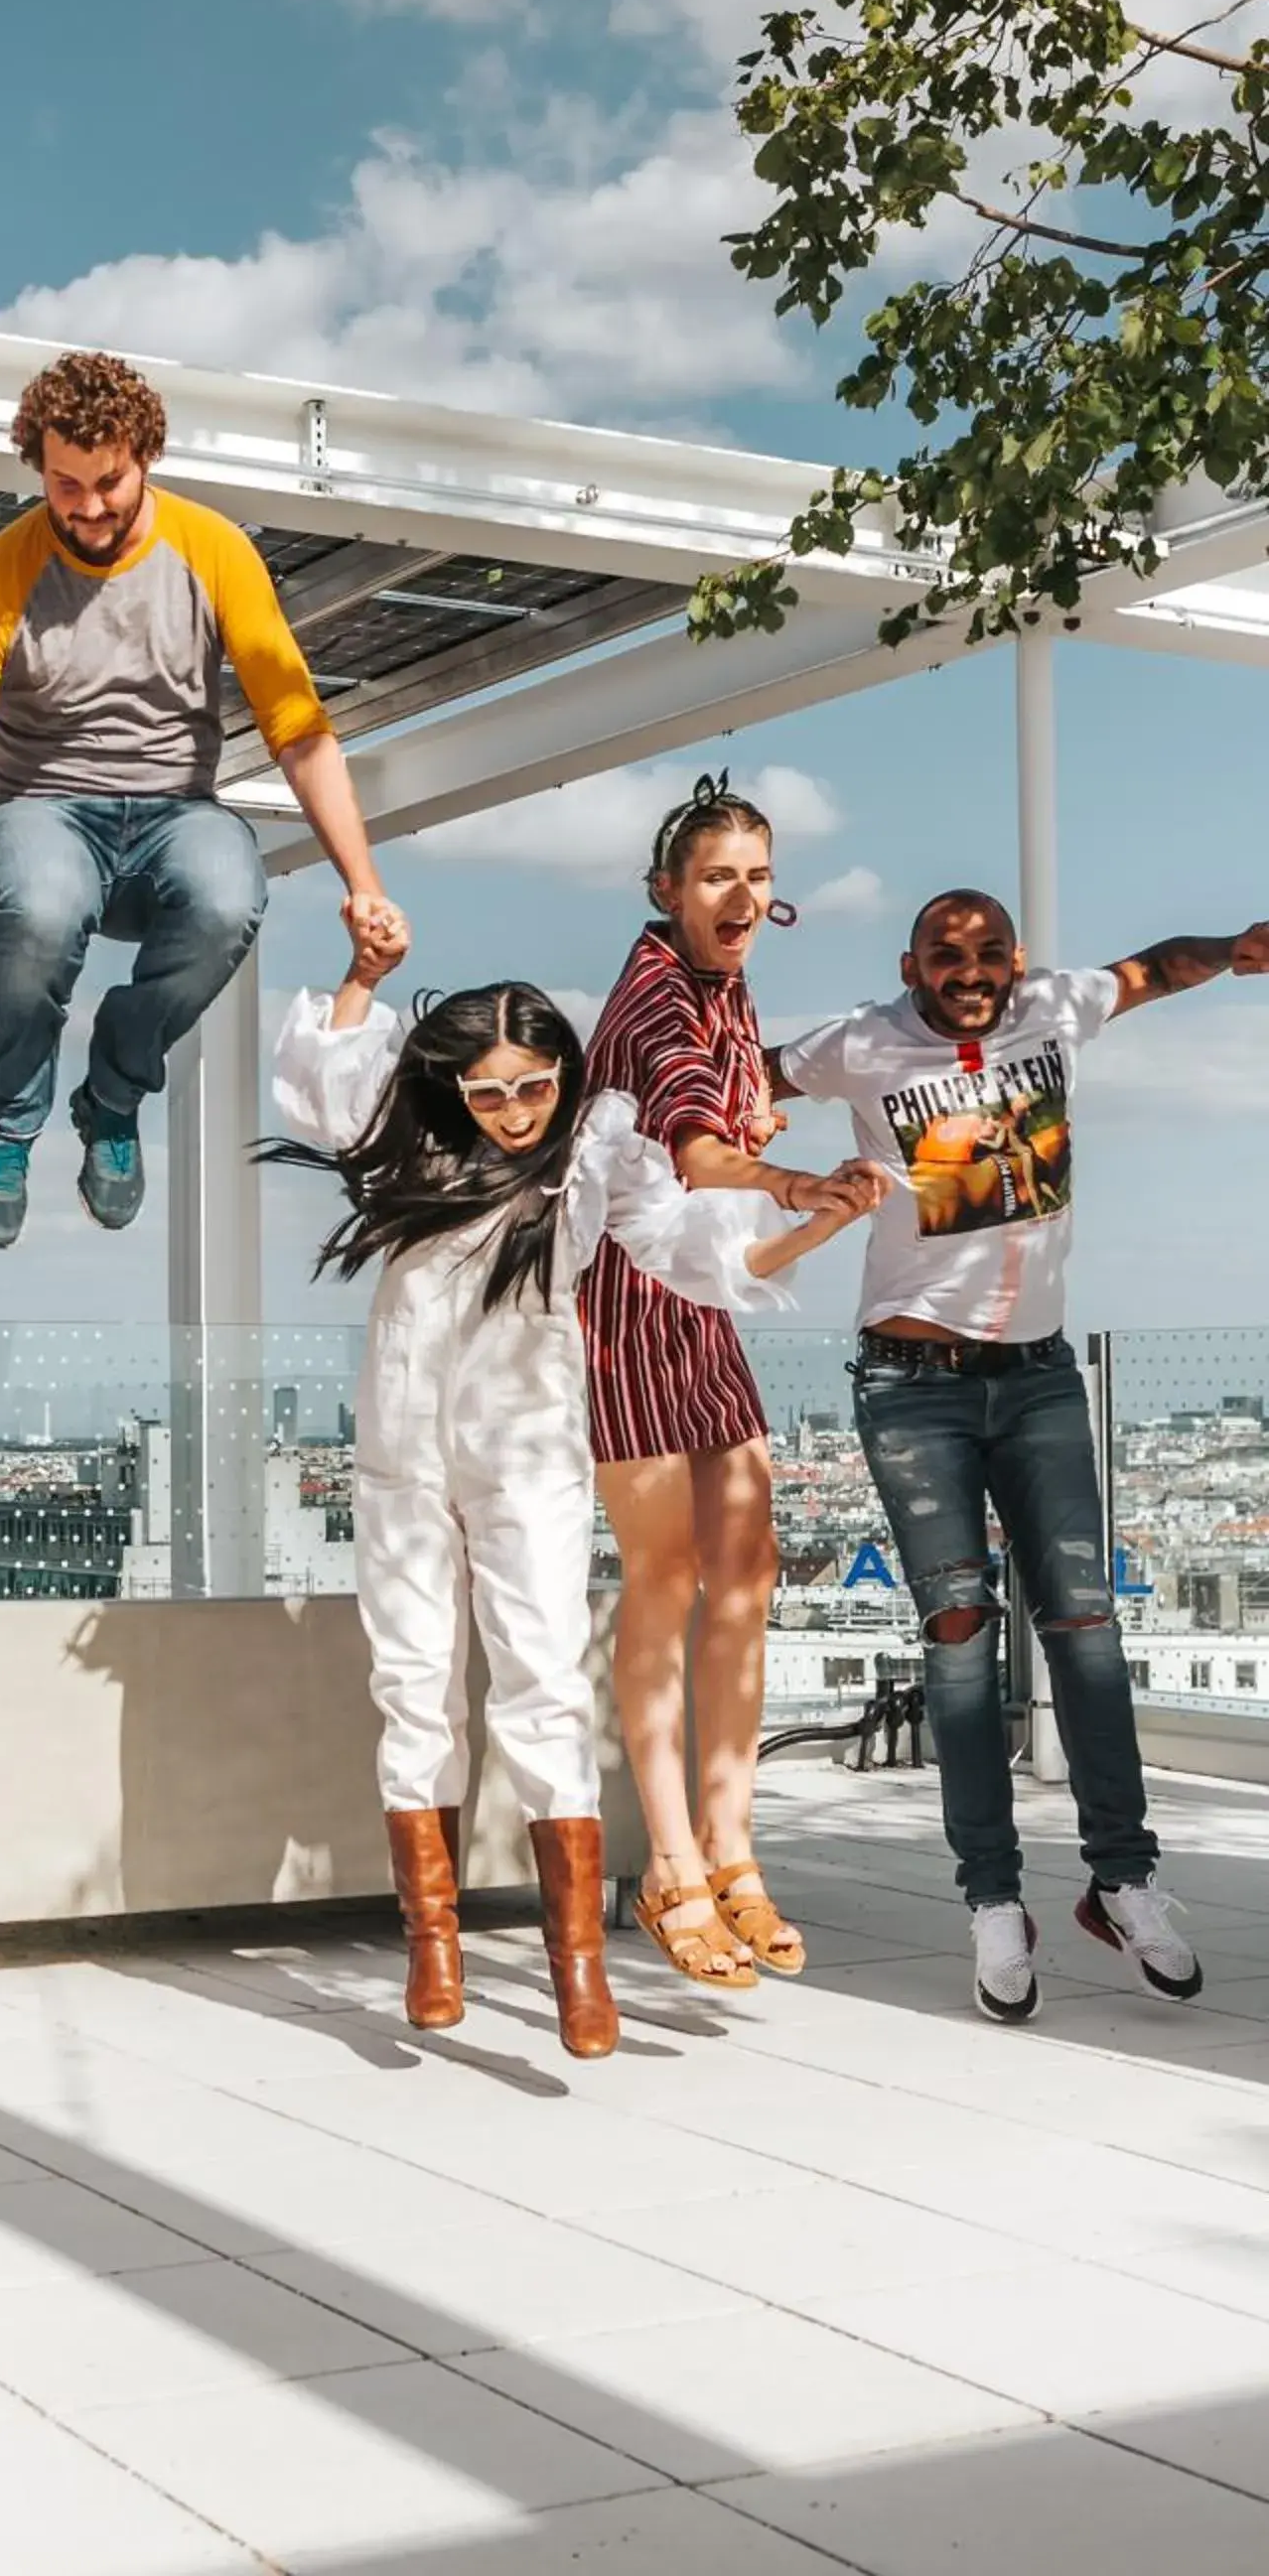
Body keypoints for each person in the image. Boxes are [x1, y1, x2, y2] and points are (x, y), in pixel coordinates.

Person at [268, 906, 876, 2058]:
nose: (510, 1111)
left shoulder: (592, 1152)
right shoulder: (407, 1137)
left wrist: (806, 1210)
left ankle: (577, 1968)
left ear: (562, 1074)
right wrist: (358, 974)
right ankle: (431, 1943)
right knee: (413, 1684)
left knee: (540, 1683)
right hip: (402, 1452)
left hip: (530, 1454)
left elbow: (702, 1254)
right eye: (488, 1093)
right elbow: (316, 1082)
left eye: (531, 1087)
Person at [773, 884, 1269, 2022]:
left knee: (1085, 1628)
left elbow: (1151, 965)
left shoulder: (1053, 1008)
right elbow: (743, 1074)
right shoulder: (860, 1041)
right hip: (910, 1390)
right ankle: (991, 1898)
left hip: (1039, 1376)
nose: (969, 968)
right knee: (956, 1636)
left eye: (987, 950)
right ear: (913, 960)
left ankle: (1121, 1878)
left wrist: (1233, 951)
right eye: (946, 952)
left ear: (1013, 958)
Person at [0, 349, 402, 1249]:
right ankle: (11, 1117)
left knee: (228, 892)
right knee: (46, 907)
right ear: (37, 466)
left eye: (109, 483)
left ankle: (113, 1095)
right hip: (41, 810)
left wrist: (363, 882)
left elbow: (296, 726)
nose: (89, 508)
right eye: (66, 485)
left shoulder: (213, 551)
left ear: (147, 458)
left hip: (176, 812)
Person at [580, 775, 882, 1989]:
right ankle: (667, 1864)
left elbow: (725, 1119)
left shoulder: (722, 982)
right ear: (666, 892)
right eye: (717, 876)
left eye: (757, 876)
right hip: (628, 1304)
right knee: (661, 1575)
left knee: (747, 1574)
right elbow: (698, 1141)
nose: (742, 895)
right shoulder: (659, 999)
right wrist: (789, 1185)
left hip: (696, 1297)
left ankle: (730, 1850)